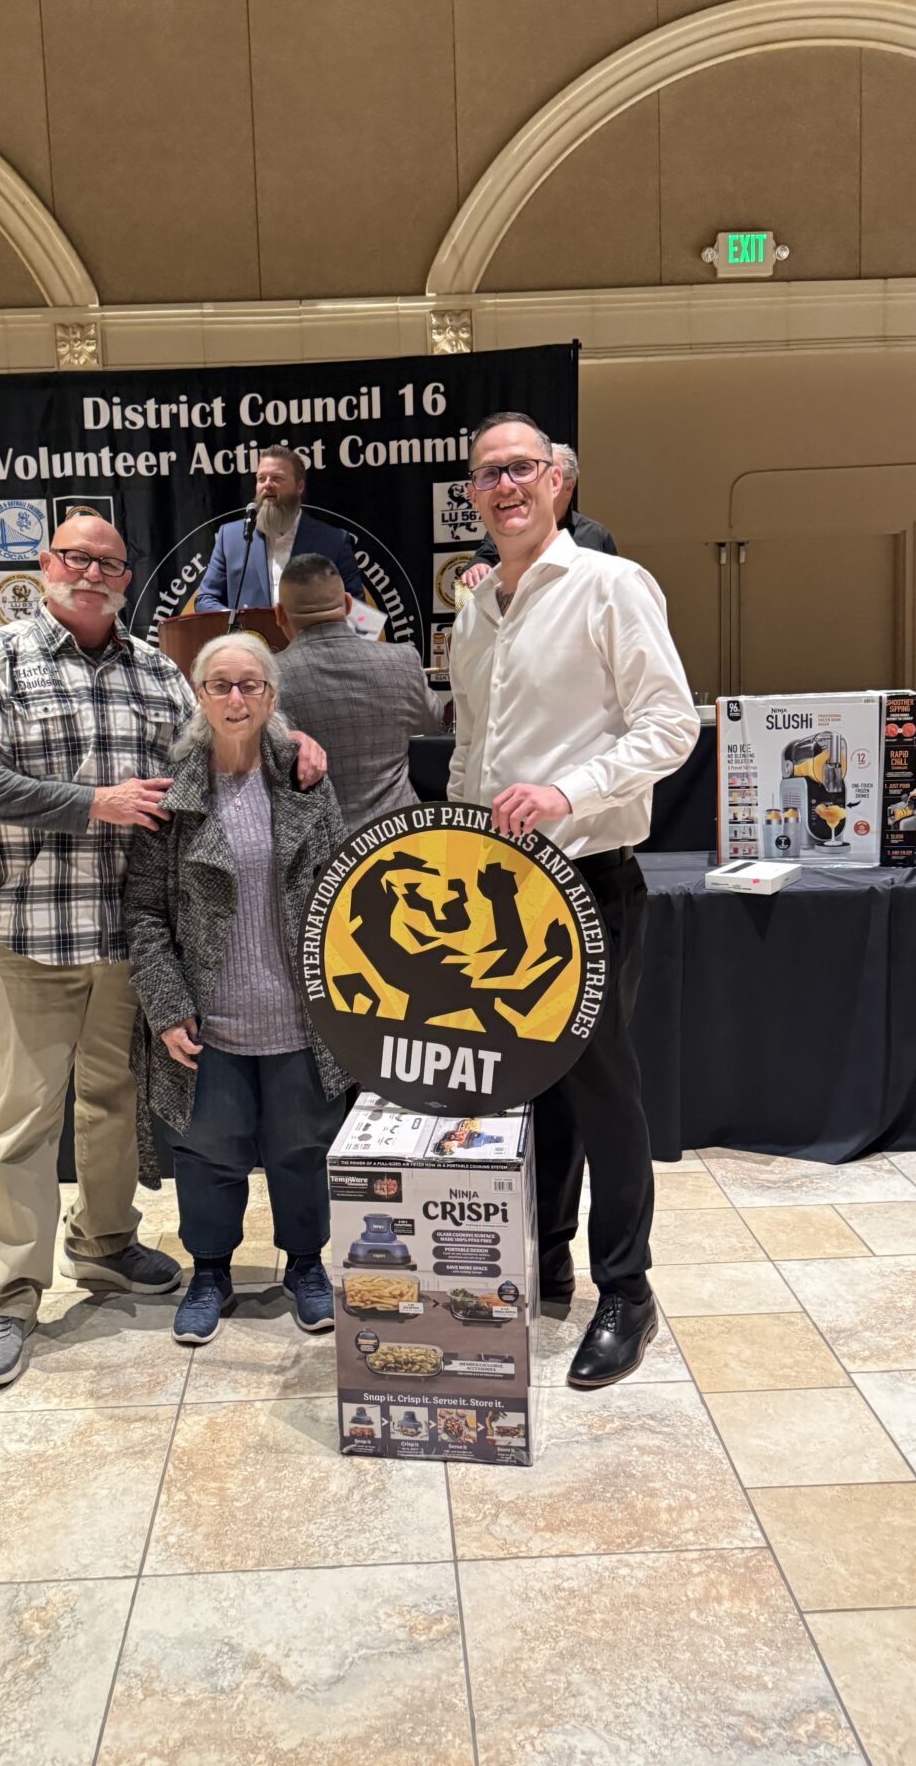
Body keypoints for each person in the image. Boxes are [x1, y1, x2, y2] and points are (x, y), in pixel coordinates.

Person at [0, 512, 325, 1390]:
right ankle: (7, 1296)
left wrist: (291, 741)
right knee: (21, 1119)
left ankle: (105, 1243)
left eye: (109, 564)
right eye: (76, 558)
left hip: (125, 934)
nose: (93, 574)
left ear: (125, 577)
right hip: (27, 931)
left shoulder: (155, 672)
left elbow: (221, 732)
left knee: (113, 1104)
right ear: (45, 564)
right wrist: (91, 803)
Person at [448, 414, 698, 1391]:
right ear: (473, 495)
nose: (505, 486)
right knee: (528, 1080)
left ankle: (626, 1290)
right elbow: (471, 747)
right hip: (498, 888)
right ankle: (545, 1258)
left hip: (588, 873)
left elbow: (670, 725)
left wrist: (566, 793)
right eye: (487, 474)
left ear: (557, 480)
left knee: (602, 1090)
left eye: (521, 468)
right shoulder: (476, 608)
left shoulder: (610, 585)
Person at [123, 631, 351, 1347]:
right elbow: (144, 913)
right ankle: (211, 1273)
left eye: (250, 684)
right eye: (219, 684)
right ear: (198, 695)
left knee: (302, 1149)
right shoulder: (171, 794)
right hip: (208, 1023)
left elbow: (344, 894)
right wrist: (166, 1007)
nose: (235, 698)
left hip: (299, 1017)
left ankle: (307, 1267)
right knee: (208, 1154)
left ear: (272, 696)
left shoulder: (307, 783)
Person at [273, 552, 444, 829]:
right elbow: (431, 721)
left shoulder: (266, 678)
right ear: (348, 604)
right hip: (397, 836)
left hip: (318, 844)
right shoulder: (402, 660)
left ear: (279, 614)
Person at [198, 445, 364, 610]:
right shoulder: (231, 537)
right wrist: (237, 621)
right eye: (261, 479)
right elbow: (205, 599)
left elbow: (358, 606)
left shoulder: (333, 541)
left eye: (276, 478)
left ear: (299, 486)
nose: (267, 485)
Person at [459, 443, 615, 593]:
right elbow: (478, 566)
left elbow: (611, 590)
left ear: (566, 485)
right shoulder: (512, 525)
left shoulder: (597, 536)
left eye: (547, 479)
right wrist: (475, 570)